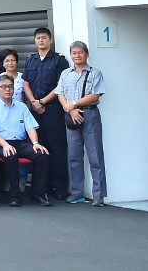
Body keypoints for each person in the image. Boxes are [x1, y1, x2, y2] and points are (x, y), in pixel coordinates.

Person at [0, 73, 51, 206]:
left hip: (20, 143)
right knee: (11, 154)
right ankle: (15, 194)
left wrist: (35, 143)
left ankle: (38, 193)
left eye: (10, 86)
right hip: (0, 143)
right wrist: (5, 145)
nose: (7, 89)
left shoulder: (22, 106)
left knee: (42, 155)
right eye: (4, 87)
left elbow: (30, 127)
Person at [23, 27, 70, 198]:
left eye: (44, 38)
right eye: (38, 38)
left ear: (50, 40)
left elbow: (61, 85)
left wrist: (43, 101)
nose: (41, 41)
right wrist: (34, 102)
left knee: (56, 148)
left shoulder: (59, 61)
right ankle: (43, 186)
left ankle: (60, 188)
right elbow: (26, 83)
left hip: (53, 110)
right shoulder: (31, 60)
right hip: (35, 111)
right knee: (39, 147)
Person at [57, 40, 106, 205]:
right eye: (74, 53)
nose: (77, 55)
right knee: (74, 156)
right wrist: (69, 109)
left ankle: (98, 195)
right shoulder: (66, 73)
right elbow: (60, 93)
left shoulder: (94, 73)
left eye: (80, 52)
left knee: (95, 156)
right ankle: (77, 192)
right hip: (71, 116)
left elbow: (96, 94)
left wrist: (75, 104)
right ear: (71, 55)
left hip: (90, 114)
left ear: (86, 54)